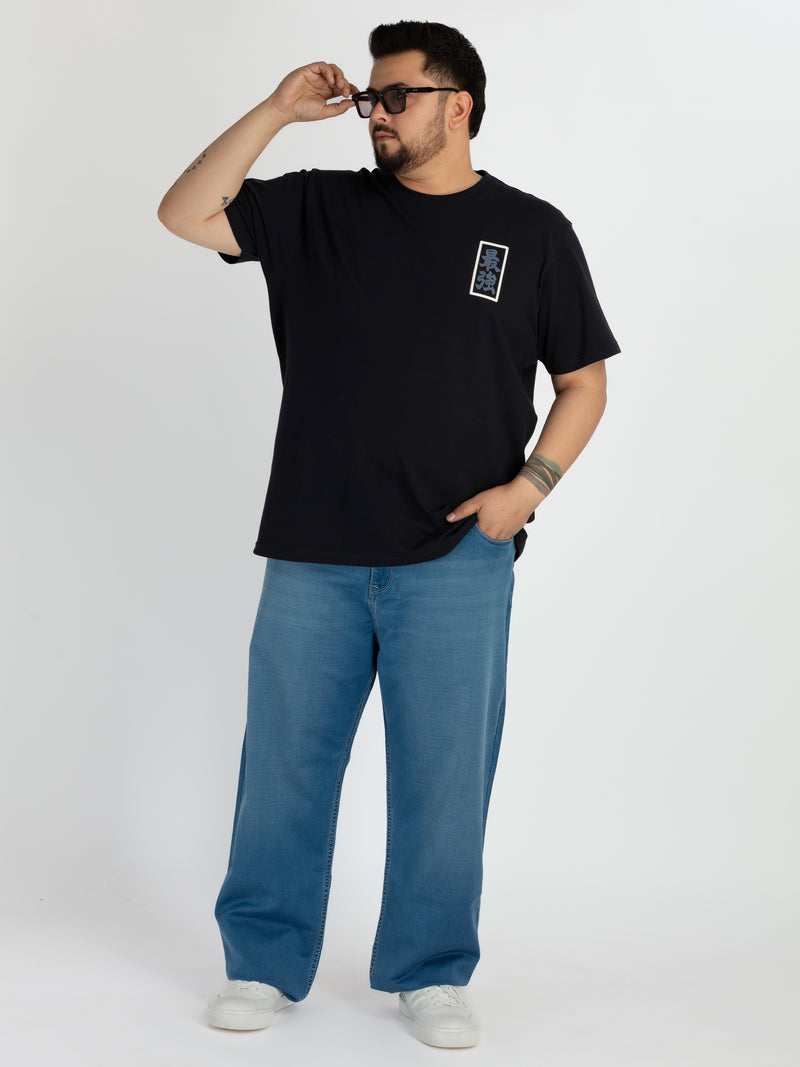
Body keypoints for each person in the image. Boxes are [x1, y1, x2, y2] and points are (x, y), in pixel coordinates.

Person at [157, 20, 620, 1049]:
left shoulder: (531, 231)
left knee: (445, 776)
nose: (375, 113)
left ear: (459, 106)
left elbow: (583, 382)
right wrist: (278, 111)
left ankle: (430, 969)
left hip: (459, 557)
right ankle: (262, 962)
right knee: (283, 766)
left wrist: (529, 487)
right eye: (370, 97)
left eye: (397, 95)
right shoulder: (318, 206)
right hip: (314, 547)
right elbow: (184, 213)